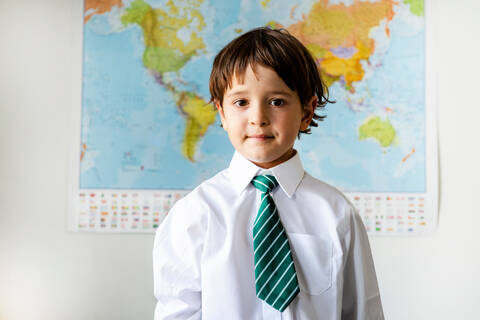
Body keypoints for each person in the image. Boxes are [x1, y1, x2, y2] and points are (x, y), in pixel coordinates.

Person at [153, 26, 384, 320]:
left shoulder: (337, 213)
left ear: (306, 111)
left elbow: (363, 312)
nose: (258, 118)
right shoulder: (195, 214)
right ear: (221, 113)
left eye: (277, 101)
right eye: (241, 102)